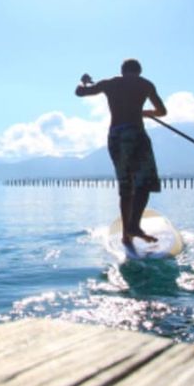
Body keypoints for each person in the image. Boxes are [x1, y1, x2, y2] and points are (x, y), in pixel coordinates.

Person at [75, 59, 167, 247]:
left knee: (126, 187)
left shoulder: (110, 83)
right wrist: (143, 112)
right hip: (136, 134)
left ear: (122, 71)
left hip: (116, 136)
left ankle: (126, 235)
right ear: (139, 71)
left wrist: (83, 81)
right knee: (143, 184)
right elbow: (162, 112)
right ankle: (134, 226)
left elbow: (80, 92)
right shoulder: (146, 84)